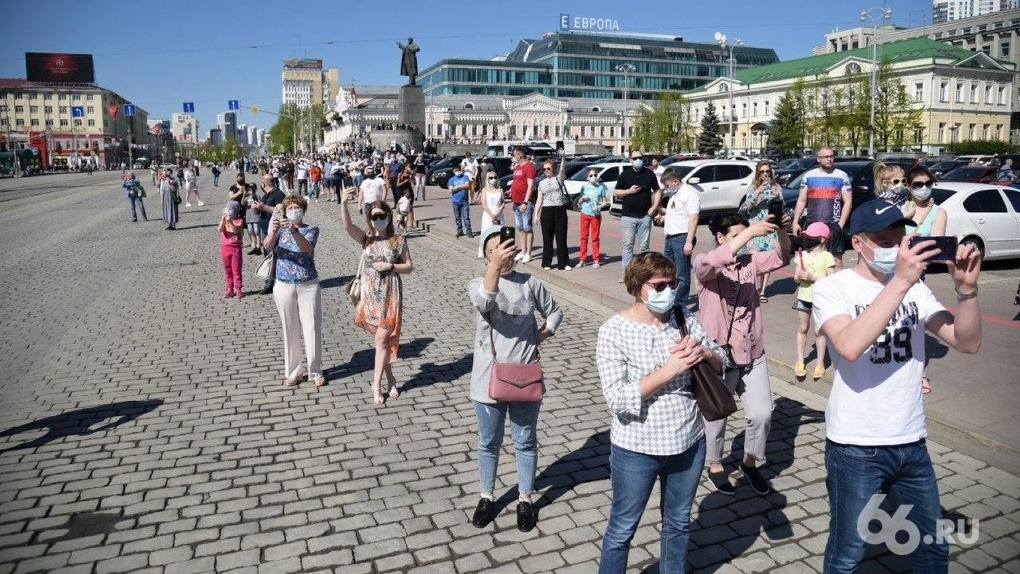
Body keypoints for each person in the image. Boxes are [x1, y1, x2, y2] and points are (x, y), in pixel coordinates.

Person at [813, 199, 982, 573]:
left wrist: (966, 292)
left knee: (932, 548)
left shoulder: (916, 291)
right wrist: (902, 281)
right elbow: (849, 346)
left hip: (910, 441)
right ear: (858, 243)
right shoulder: (832, 289)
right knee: (848, 554)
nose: (895, 248)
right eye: (883, 240)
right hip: (856, 446)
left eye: (899, 238)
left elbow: (966, 341)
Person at [596, 251, 726, 573]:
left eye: (673, 283)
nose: (668, 290)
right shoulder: (614, 331)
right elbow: (617, 399)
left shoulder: (683, 317)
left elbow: (722, 360)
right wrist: (667, 372)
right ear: (638, 286)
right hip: (637, 447)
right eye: (659, 285)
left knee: (679, 523)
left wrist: (704, 352)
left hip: (689, 441)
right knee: (623, 527)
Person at [467, 226, 563, 532]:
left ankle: (525, 499)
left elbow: (555, 312)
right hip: (488, 380)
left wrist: (543, 334)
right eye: (495, 248)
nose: (503, 252)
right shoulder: (476, 283)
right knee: (489, 442)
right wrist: (494, 268)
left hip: (525, 375)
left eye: (507, 246)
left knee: (525, 441)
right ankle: (487, 497)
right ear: (486, 254)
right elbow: (485, 302)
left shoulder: (530, 282)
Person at [694, 212, 792, 496]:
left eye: (745, 233)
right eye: (735, 235)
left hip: (751, 352)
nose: (745, 240)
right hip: (717, 356)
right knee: (716, 416)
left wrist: (782, 230)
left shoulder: (751, 262)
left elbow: (782, 256)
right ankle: (714, 464)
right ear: (721, 238)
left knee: (762, 414)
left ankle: (750, 463)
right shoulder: (704, 261)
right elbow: (709, 266)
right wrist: (749, 233)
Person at [341, 192, 413, 404]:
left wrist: (391, 266)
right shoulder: (367, 239)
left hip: (390, 295)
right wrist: (344, 203)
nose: (378, 219)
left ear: (389, 216)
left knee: (382, 339)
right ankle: (391, 379)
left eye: (382, 215)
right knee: (381, 342)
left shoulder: (397, 240)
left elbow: (409, 267)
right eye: (374, 217)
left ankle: (376, 386)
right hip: (370, 295)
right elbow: (347, 226)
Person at [264, 196, 325, 387]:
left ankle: (315, 370)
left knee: (311, 326)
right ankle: (293, 371)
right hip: (283, 284)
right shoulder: (278, 228)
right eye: (290, 207)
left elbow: (307, 249)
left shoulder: (311, 229)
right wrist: (273, 233)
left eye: (297, 207)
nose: (293, 210)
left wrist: (294, 230)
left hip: (308, 283)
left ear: (303, 210)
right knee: (289, 328)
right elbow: (266, 246)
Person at [901, 166, 948, 394]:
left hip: (918, 274)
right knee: (896, 323)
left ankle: (920, 373)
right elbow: (888, 240)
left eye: (927, 184)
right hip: (895, 272)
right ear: (910, 187)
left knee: (916, 325)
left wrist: (914, 242)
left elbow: (936, 248)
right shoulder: (902, 209)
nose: (923, 189)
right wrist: (903, 220)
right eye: (918, 185)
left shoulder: (939, 212)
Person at [792, 146, 851, 269]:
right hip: (812, 224)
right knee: (810, 259)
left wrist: (840, 225)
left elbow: (848, 202)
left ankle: (836, 288)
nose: (830, 159)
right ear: (818, 159)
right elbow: (802, 200)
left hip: (833, 224)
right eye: (826, 157)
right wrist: (795, 222)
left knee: (836, 260)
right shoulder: (808, 176)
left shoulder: (842, 176)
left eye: (831, 156)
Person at [792, 222, 836, 379]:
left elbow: (831, 281)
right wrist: (799, 276)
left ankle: (820, 363)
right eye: (807, 236)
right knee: (803, 328)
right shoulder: (802, 255)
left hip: (819, 299)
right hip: (803, 297)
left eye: (811, 236)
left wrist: (812, 278)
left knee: (819, 331)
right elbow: (796, 280)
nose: (808, 239)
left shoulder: (827, 256)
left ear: (822, 239)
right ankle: (799, 360)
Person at [615, 150, 662, 282]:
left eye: (640, 158)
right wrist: (629, 191)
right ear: (630, 160)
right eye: (635, 158)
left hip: (645, 216)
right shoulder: (625, 175)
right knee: (628, 244)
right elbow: (617, 192)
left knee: (644, 247)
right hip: (628, 217)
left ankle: (644, 273)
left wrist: (654, 207)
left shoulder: (649, 174)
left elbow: (657, 191)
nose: (638, 160)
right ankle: (626, 274)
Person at [656, 169, 699, 306]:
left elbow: (693, 218)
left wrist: (688, 242)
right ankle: (670, 300)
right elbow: (677, 213)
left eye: (668, 185)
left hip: (682, 238)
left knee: (682, 275)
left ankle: (680, 304)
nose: (667, 189)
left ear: (675, 181)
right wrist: (664, 218)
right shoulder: (675, 194)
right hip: (670, 238)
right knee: (668, 272)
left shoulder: (689, 194)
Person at [742, 161, 782, 303]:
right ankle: (752, 288)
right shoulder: (753, 187)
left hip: (770, 227)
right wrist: (757, 192)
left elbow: (780, 206)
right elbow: (747, 207)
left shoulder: (775, 187)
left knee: (767, 259)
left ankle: (763, 291)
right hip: (755, 227)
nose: (765, 174)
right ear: (758, 173)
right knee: (754, 259)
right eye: (762, 172)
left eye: (768, 172)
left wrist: (777, 196)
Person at [533, 155, 570, 270]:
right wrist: (536, 215)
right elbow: (539, 200)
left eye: (548, 168)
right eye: (544, 169)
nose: (546, 171)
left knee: (561, 238)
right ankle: (547, 263)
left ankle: (564, 263)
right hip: (547, 210)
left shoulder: (558, 178)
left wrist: (563, 157)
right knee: (547, 238)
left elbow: (563, 169)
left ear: (553, 169)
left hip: (559, 210)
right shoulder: (541, 183)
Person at [252, 175, 287, 294]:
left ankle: (273, 284)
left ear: (263, 184)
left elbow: (281, 211)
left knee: (274, 257)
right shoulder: (266, 195)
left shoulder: (279, 194)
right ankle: (270, 282)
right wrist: (257, 208)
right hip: (265, 229)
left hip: (273, 230)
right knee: (268, 257)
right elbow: (262, 210)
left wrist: (264, 207)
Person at [576, 167, 609, 269]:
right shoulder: (584, 187)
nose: (593, 177)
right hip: (585, 214)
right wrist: (582, 198)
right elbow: (579, 204)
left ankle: (596, 259)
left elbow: (605, 202)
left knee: (595, 237)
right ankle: (582, 259)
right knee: (584, 237)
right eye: (591, 175)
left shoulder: (600, 188)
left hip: (596, 215)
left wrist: (599, 206)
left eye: (595, 175)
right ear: (587, 177)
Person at [509, 147, 536, 262]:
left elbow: (530, 186)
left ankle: (528, 253)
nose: (513, 157)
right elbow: (516, 181)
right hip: (516, 202)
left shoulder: (529, 167)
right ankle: (523, 251)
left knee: (527, 227)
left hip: (525, 202)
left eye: (514, 155)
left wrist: (525, 201)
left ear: (519, 155)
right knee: (520, 227)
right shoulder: (517, 167)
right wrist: (511, 190)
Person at [218, 200, 245, 299]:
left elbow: (235, 230)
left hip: (235, 248)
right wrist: (223, 220)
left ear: (234, 211)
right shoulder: (224, 220)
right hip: (225, 247)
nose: (227, 211)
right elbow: (219, 230)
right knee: (227, 269)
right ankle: (230, 288)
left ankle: (238, 288)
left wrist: (230, 222)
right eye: (227, 209)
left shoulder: (239, 220)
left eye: (230, 209)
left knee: (236, 269)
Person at [477, 171, 505, 258]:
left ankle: (498, 251)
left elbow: (503, 203)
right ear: (488, 179)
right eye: (491, 178)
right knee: (487, 232)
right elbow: (483, 204)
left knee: (498, 233)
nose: (493, 179)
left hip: (498, 214)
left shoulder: (500, 190)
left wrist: (498, 212)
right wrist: (491, 214)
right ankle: (485, 251)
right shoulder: (485, 190)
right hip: (488, 214)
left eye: (495, 177)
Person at [448, 164, 474, 238]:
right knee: (457, 217)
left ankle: (469, 231)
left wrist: (457, 187)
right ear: (453, 171)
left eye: (459, 170)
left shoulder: (465, 177)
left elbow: (467, 186)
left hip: (464, 201)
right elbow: (450, 190)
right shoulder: (451, 179)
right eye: (456, 171)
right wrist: (461, 187)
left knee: (466, 217)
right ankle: (460, 231)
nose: (458, 172)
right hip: (455, 201)